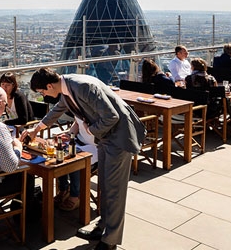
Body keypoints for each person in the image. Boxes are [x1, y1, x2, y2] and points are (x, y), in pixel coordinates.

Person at [21, 68, 145, 250]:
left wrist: (89, 131)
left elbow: (112, 116)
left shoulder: (82, 86)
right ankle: (103, 227)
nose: (44, 95)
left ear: (49, 85)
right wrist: (36, 129)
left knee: (114, 191)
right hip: (105, 138)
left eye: (43, 92)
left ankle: (110, 240)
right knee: (105, 184)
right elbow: (57, 110)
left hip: (118, 138)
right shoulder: (68, 87)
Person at [54, 119, 98, 211]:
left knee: (75, 161)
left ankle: (75, 195)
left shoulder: (97, 109)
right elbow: (77, 122)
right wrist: (69, 135)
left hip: (95, 146)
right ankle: (63, 189)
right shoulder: (79, 107)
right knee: (59, 153)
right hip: (77, 141)